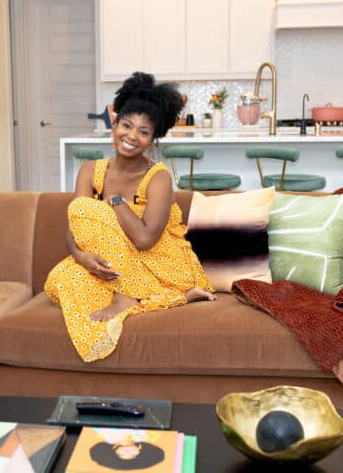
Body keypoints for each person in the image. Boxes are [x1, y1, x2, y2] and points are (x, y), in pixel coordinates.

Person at [44, 71, 216, 362]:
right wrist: (84, 258)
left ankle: (128, 297)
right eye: (127, 125)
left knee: (91, 209)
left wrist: (116, 202)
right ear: (115, 125)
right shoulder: (90, 170)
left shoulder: (157, 177)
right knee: (60, 279)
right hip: (110, 266)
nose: (132, 136)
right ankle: (131, 293)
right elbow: (74, 227)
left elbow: (146, 239)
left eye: (143, 131)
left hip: (156, 263)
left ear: (152, 140)